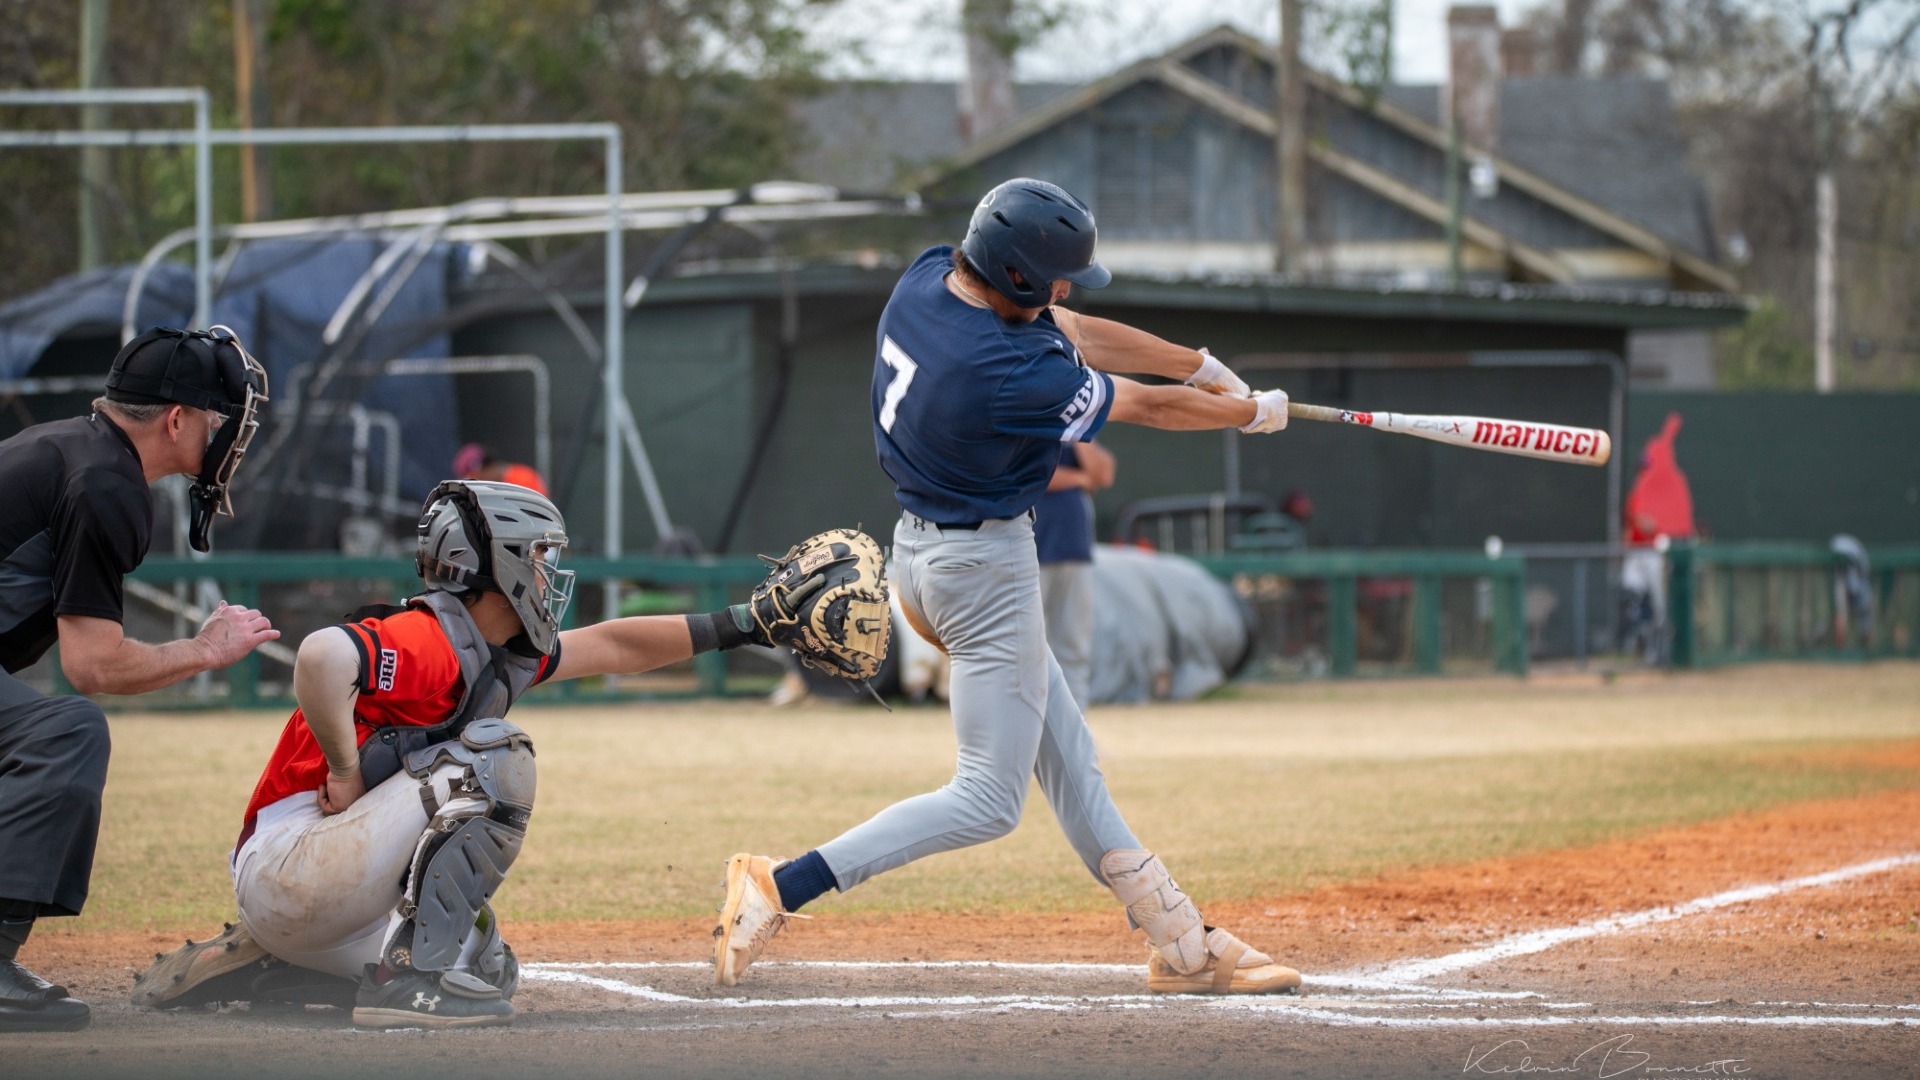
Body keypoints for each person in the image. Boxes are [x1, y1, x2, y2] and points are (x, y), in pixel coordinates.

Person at [712, 177, 1301, 996]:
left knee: (1070, 759)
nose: (1063, 291)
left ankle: (1182, 943)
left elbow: (1078, 328)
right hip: (981, 574)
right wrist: (1250, 414)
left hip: (928, 553)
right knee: (989, 799)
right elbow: (1146, 409)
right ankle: (782, 885)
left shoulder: (928, 279)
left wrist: (1200, 365)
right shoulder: (1001, 370)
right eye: (1054, 276)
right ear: (1018, 276)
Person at [134, 479, 802, 1028]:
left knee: (487, 965)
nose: (548, 573)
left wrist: (745, 624)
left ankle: (289, 963)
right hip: (293, 862)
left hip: (314, 882)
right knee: (496, 757)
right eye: (538, 556)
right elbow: (320, 655)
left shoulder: (491, 651)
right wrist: (342, 769)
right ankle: (408, 983)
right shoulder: (431, 640)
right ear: (501, 564)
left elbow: (617, 646)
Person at [0, 326, 278, 1032]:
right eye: (218, 420)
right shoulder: (104, 481)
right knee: (65, 732)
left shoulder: (73, 449)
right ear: (176, 420)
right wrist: (204, 651)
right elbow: (92, 665)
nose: (227, 438)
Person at [1035, 439, 1115, 711]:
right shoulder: (1022, 413)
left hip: (1073, 550)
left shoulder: (1073, 427)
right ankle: (1025, 736)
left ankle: (1074, 730)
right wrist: (1079, 477)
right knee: (1022, 648)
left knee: (1074, 647)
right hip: (1029, 551)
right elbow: (1030, 475)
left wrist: (1077, 432)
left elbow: (1103, 473)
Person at [1619, 412, 1695, 663]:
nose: (1644, 472)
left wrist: (1660, 523)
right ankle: (1640, 639)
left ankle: (1663, 649)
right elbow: (1635, 521)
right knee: (1632, 592)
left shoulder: (1672, 485)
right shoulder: (1639, 491)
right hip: (1637, 551)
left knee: (1662, 606)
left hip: (1656, 553)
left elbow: (1671, 521)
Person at [453, 442, 548, 497]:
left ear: (486, 468)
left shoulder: (522, 479)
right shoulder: (493, 490)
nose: (479, 482)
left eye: (476, 478)